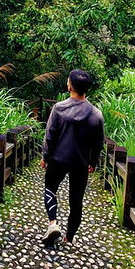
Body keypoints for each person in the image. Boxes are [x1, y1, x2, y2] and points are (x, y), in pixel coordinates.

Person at [40, 69, 105, 247]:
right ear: (86, 89)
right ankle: (69, 237)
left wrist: (46, 156)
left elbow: (50, 135)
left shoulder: (59, 108)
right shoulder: (96, 115)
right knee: (76, 201)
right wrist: (93, 162)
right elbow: (98, 143)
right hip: (80, 163)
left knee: (50, 190)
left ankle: (53, 223)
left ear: (69, 86)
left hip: (58, 159)